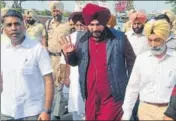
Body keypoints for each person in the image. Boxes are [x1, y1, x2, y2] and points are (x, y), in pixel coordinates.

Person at [59, 3, 136, 120]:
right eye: (91, 25)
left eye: (98, 25)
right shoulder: (82, 38)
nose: (95, 29)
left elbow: (132, 65)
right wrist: (69, 53)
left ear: (104, 23)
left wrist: (133, 92)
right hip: (90, 97)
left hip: (113, 96)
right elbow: (75, 63)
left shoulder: (120, 38)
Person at [1, 9, 54, 120]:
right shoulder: (3, 49)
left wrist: (46, 110)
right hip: (6, 111)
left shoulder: (37, 49)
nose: (13, 28)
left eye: (17, 24)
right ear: (4, 28)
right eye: (9, 25)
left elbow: (49, 80)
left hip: (31, 112)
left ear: (23, 24)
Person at [122, 19, 176, 120]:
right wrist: (126, 114)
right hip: (145, 110)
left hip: (169, 112)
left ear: (164, 39)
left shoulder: (174, 58)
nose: (153, 44)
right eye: (150, 40)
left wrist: (173, 112)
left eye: (157, 40)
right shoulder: (141, 59)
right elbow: (133, 88)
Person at [45, 1, 71, 120]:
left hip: (62, 59)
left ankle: (57, 115)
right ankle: (49, 111)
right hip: (50, 58)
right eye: (54, 11)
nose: (56, 13)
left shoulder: (67, 26)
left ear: (62, 11)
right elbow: (44, 40)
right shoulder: (48, 24)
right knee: (49, 84)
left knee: (59, 86)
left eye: (58, 10)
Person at [67, 12, 86, 120]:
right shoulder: (70, 38)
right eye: (77, 25)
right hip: (74, 74)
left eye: (81, 25)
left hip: (87, 75)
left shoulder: (91, 38)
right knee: (75, 99)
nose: (79, 27)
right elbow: (65, 61)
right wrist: (66, 76)